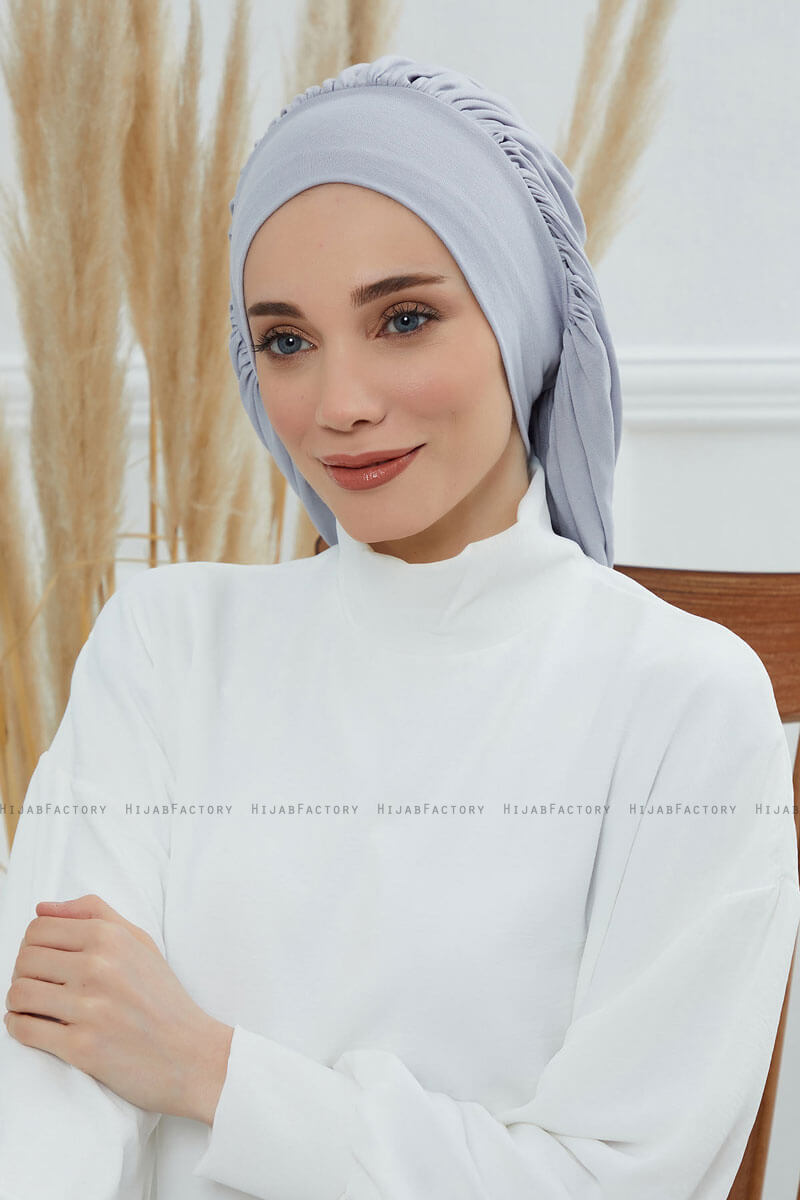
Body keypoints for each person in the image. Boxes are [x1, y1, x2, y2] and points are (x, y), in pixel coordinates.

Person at [1, 53, 798, 1200]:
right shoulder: (166, 646)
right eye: (285, 340)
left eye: (404, 318)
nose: (339, 404)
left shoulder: (679, 702)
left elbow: (610, 1182)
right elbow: (43, 1090)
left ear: (520, 319)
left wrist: (209, 1070)